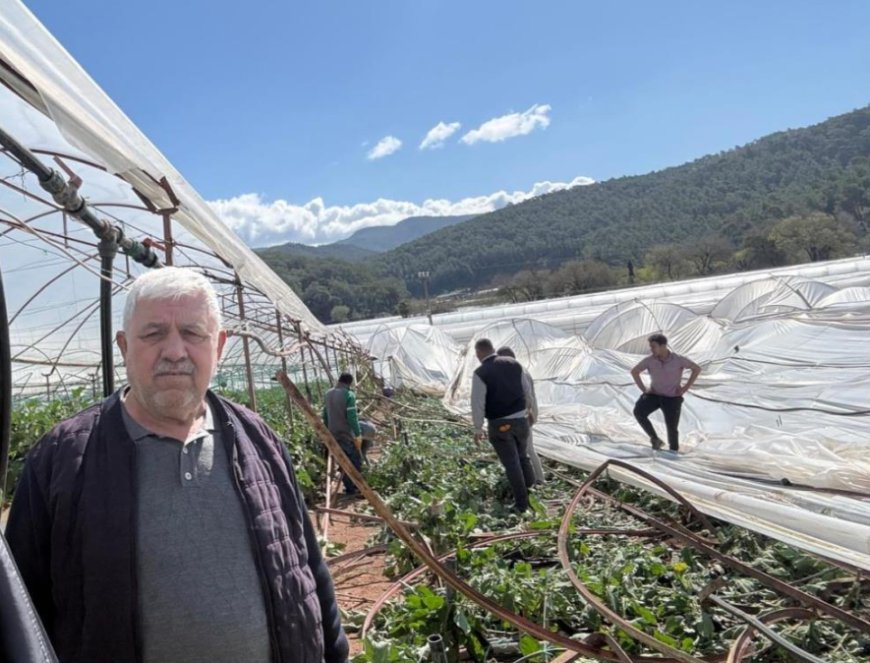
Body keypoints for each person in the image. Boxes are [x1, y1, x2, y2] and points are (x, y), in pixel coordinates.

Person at [5, 267, 349, 663]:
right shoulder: (61, 459)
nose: (174, 351)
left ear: (218, 347)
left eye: (192, 333)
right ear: (123, 347)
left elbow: (310, 572)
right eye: (153, 334)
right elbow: (20, 614)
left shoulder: (260, 441)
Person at [471, 338, 537, 512]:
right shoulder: (514, 364)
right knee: (523, 456)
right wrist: (529, 410)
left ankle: (522, 504)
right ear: (493, 349)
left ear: (478, 353)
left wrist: (478, 427)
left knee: (512, 463)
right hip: (521, 420)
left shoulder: (480, 373)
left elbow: (477, 402)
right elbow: (526, 390)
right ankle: (533, 492)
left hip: (500, 424)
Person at [630, 333, 701, 452]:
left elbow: (696, 368)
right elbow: (635, 371)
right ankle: (654, 438)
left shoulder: (678, 360)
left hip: (672, 398)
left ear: (663, 346)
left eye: (654, 346)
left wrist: (685, 388)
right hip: (654, 395)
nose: (651, 349)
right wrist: (644, 389)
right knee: (639, 412)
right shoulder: (650, 360)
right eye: (651, 347)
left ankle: (673, 451)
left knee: (672, 428)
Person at [496, 346, 545, 483]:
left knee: (528, 448)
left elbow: (527, 395)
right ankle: (531, 478)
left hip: (524, 415)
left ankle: (539, 479)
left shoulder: (518, 372)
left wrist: (528, 413)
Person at [322, 373, 364, 496]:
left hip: (333, 434)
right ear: (349, 383)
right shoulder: (349, 394)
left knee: (342, 461)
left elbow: (325, 414)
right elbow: (352, 417)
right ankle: (356, 488)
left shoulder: (328, 394)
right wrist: (358, 434)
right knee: (354, 461)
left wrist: (327, 431)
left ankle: (349, 488)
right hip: (346, 434)